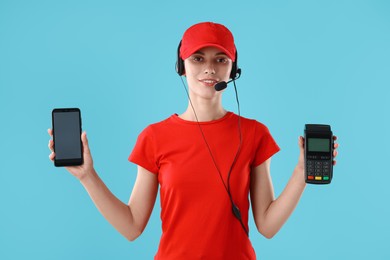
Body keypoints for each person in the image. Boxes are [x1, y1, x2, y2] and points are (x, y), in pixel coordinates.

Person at [48, 22, 339, 259]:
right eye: (198, 58)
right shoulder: (154, 137)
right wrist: (87, 176)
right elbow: (132, 225)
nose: (209, 68)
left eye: (220, 59)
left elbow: (267, 225)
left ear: (233, 70)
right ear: (181, 66)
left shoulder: (254, 134)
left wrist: (302, 174)